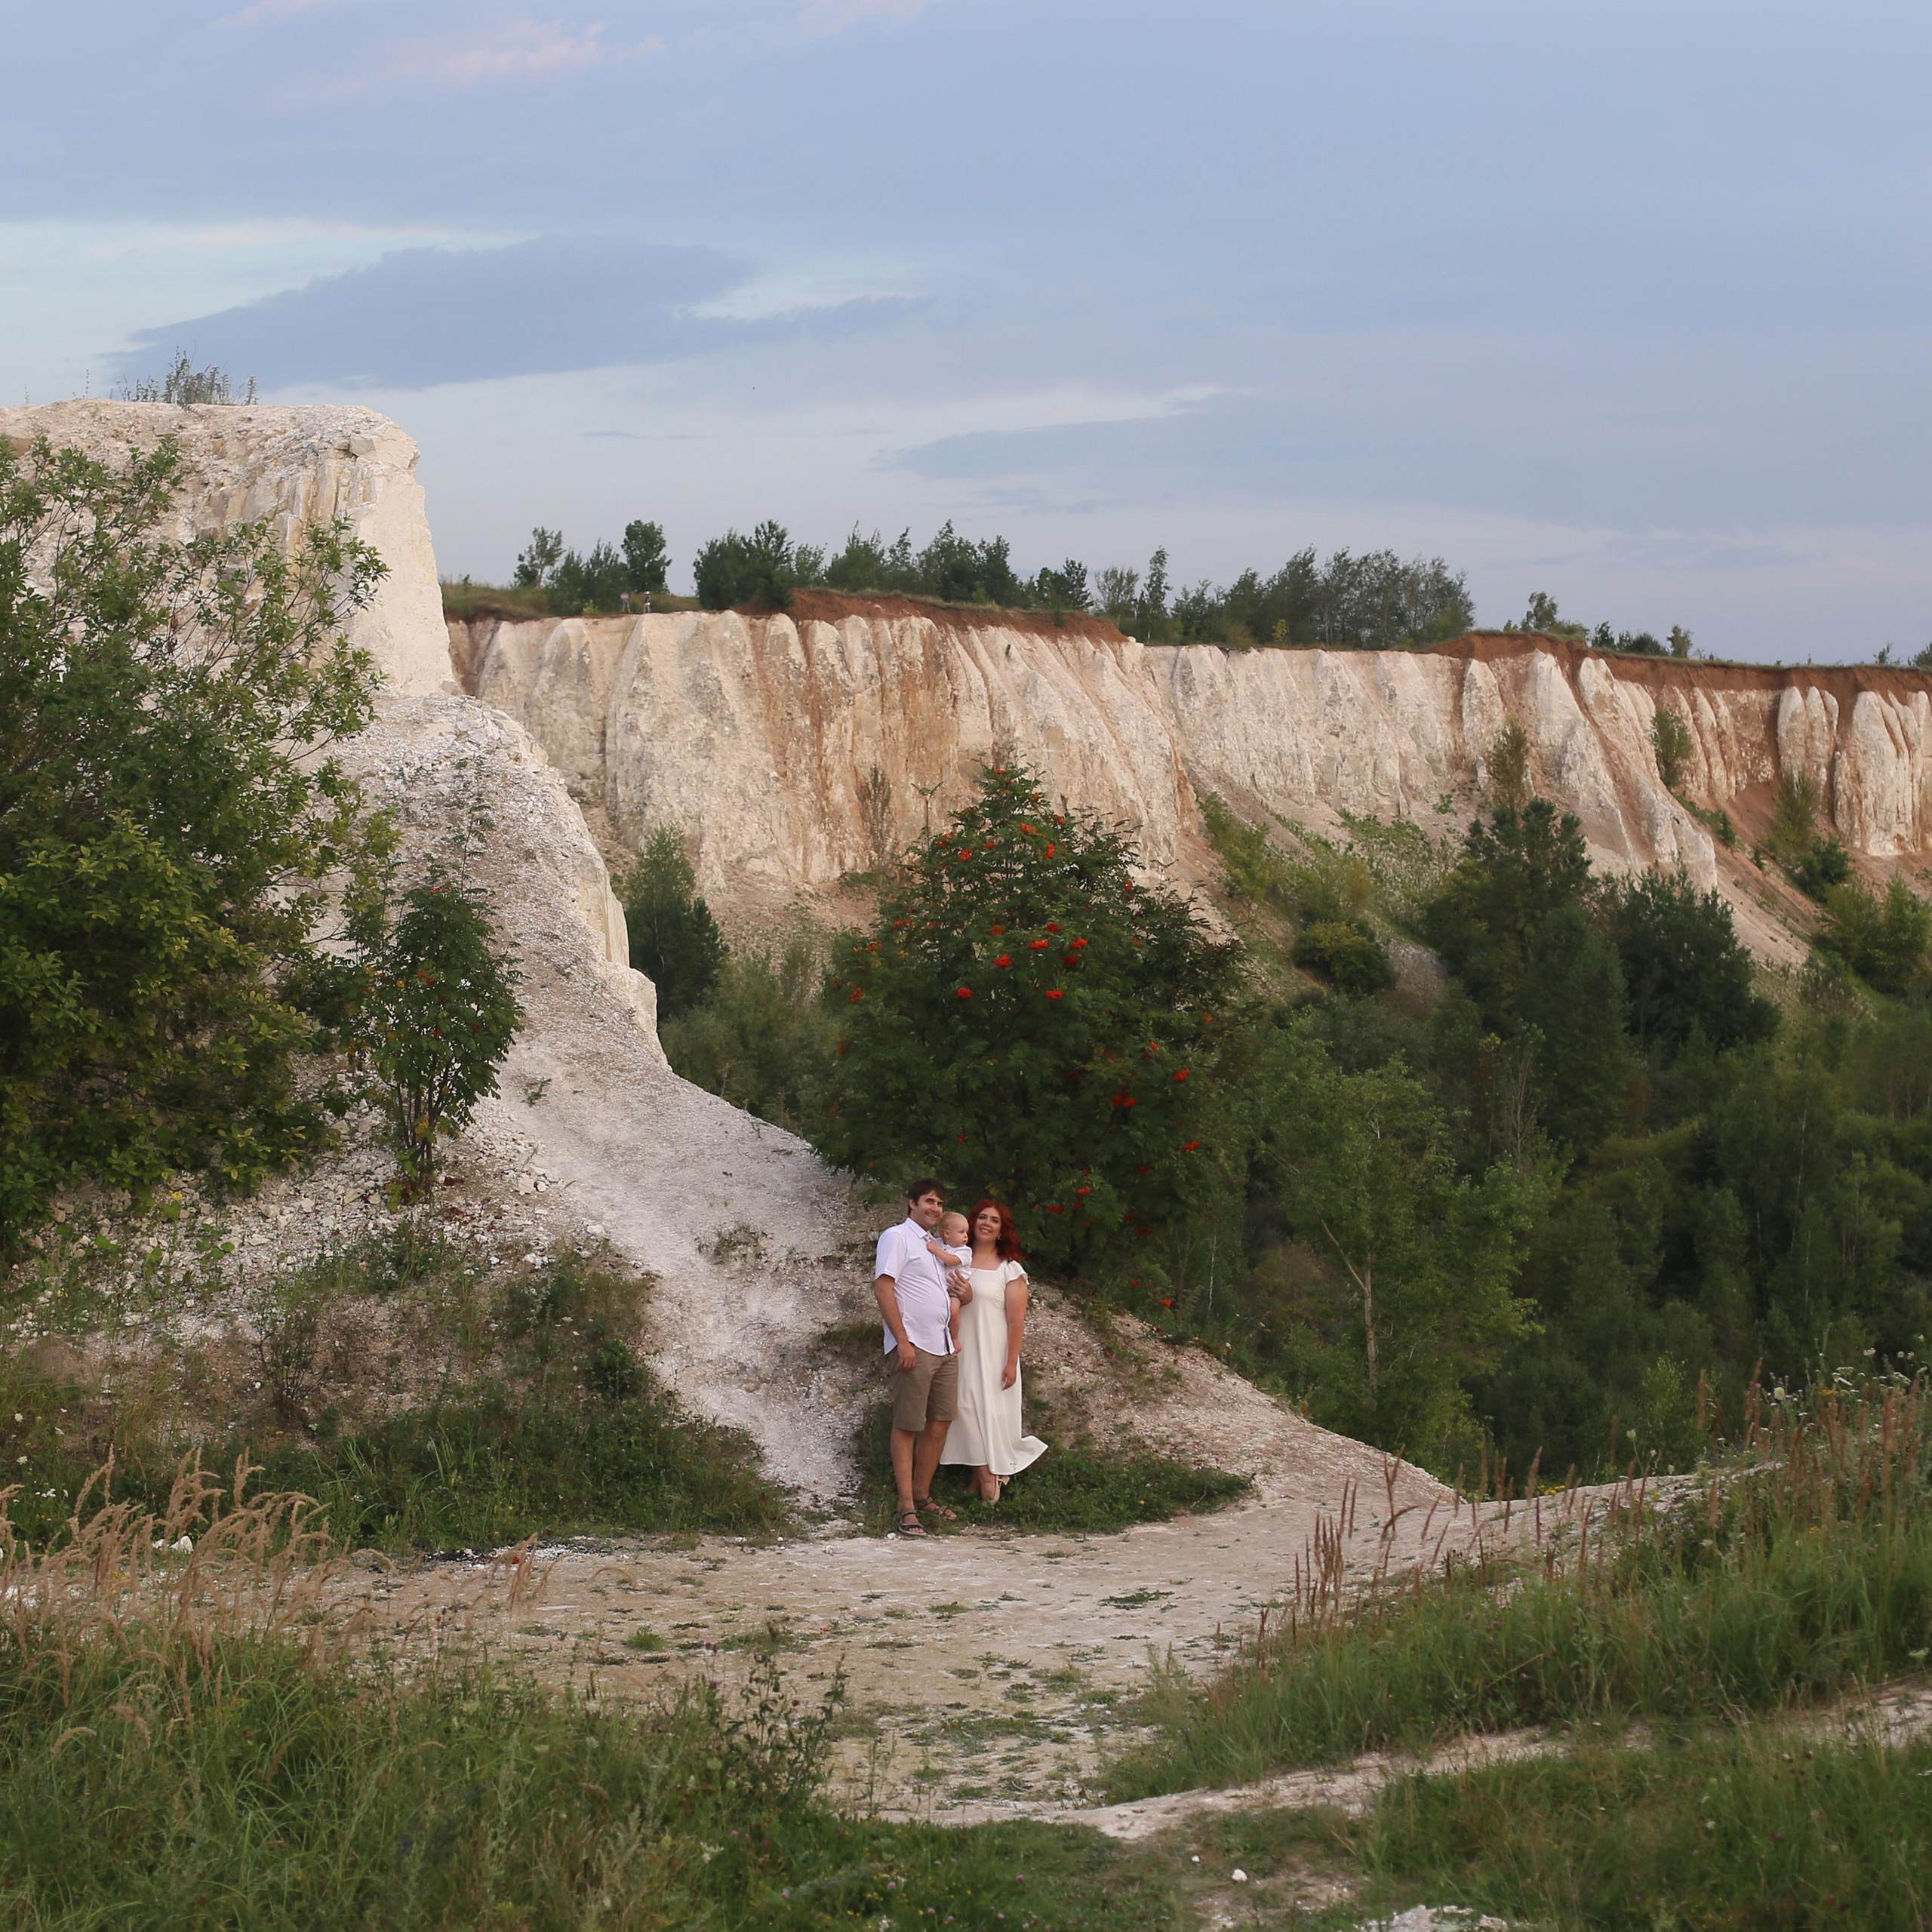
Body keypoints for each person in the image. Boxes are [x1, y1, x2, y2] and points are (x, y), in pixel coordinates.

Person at [873, 1179, 972, 1537]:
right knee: (908, 1424)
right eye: (929, 1201)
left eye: (940, 1203)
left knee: (941, 1421)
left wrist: (968, 1292)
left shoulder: (943, 1246)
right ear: (912, 1202)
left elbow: (961, 1292)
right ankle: (906, 1507)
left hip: (945, 1346)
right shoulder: (897, 1237)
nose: (935, 1208)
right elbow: (883, 1287)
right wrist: (902, 1341)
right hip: (915, 1345)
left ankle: (922, 1493)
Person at [940, 1198, 1046, 1502]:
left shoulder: (1009, 1270)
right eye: (982, 1217)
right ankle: (984, 1476)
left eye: (994, 1220)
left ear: (1002, 1231)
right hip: (957, 1349)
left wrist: (1011, 1362)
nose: (986, 1223)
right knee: (963, 1411)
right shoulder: (956, 1259)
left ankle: (988, 1480)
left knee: (981, 1412)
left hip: (992, 1353)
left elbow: (1016, 1322)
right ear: (972, 1223)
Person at [927, 1211, 974, 1349]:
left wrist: (936, 1251)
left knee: (953, 1311)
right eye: (961, 1232)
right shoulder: (939, 1243)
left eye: (966, 1232)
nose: (966, 1236)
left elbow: (952, 1261)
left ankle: (954, 1338)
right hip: (941, 1288)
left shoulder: (964, 1251)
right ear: (947, 1234)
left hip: (955, 1290)